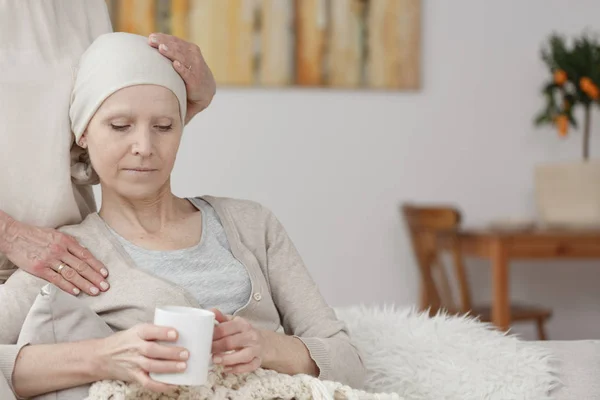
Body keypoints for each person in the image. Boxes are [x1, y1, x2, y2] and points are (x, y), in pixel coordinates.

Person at [0, 32, 366, 399]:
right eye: (120, 126)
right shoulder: (68, 256)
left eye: (163, 127)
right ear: (83, 133)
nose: (144, 147)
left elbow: (348, 361)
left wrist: (270, 347)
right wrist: (103, 358)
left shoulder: (253, 224)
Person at [0, 0, 215, 296]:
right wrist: (8, 234)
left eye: (163, 127)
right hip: (31, 264)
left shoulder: (83, 7)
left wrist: (190, 100)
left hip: (66, 263)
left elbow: (82, 144)